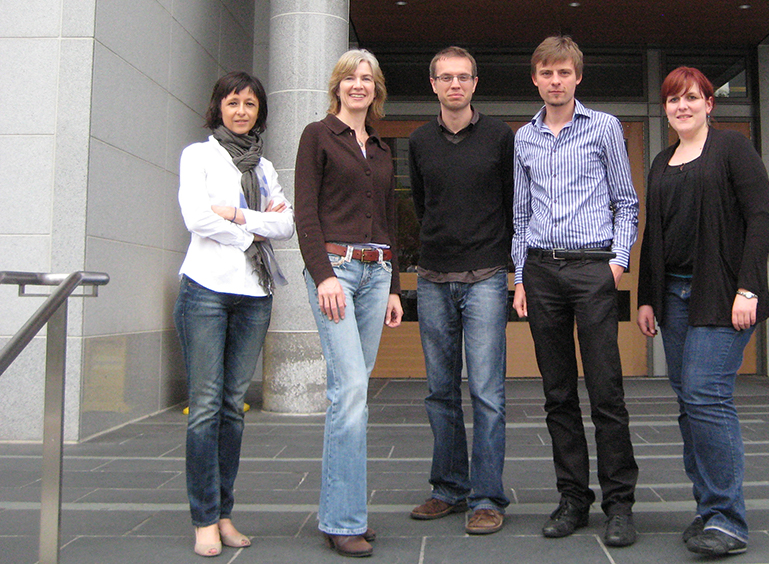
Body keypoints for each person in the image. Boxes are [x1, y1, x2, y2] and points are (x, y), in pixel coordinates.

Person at [636, 66, 769, 557]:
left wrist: (749, 289)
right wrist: (647, 297)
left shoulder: (733, 148)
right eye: (674, 100)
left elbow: (760, 217)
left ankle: (727, 519)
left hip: (723, 293)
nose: (682, 107)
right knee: (689, 401)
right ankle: (708, 509)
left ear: (710, 104)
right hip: (672, 297)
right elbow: (655, 233)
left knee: (705, 393)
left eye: (692, 98)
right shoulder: (661, 160)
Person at [512, 35, 640, 548]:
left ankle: (619, 503)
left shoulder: (605, 127)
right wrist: (520, 275)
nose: (555, 81)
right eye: (546, 73)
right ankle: (572, 499)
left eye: (563, 72)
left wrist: (616, 265)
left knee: (606, 391)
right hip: (541, 272)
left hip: (592, 270)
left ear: (577, 76)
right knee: (557, 393)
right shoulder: (523, 137)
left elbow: (625, 203)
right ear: (536, 78)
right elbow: (520, 215)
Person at [173, 71, 294, 557]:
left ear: (259, 111)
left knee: (232, 409)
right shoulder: (198, 156)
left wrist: (239, 215)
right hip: (205, 290)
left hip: (254, 294)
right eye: (233, 102)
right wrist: (252, 234)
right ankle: (203, 517)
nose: (242, 110)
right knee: (204, 408)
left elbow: (286, 224)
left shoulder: (264, 168)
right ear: (217, 107)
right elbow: (196, 217)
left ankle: (224, 514)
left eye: (250, 103)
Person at [295, 49, 404, 558]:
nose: (358, 85)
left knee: (354, 396)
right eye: (349, 78)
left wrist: (396, 286)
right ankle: (341, 519)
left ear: (376, 89)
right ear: (336, 86)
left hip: (377, 271)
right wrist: (322, 276)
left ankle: (346, 510)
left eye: (367, 78)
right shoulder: (317, 136)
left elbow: (391, 220)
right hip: (336, 272)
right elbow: (306, 214)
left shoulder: (382, 149)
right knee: (351, 389)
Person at [407, 47, 514, 535]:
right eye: (445, 77)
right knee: (440, 392)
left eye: (463, 77)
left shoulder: (499, 137)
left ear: (475, 83)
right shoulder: (418, 141)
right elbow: (423, 204)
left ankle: (487, 496)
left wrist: (512, 270)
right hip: (432, 278)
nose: (455, 85)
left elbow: (514, 205)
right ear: (433, 84)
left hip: (487, 277)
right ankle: (448, 488)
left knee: (487, 392)